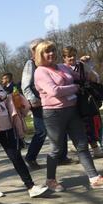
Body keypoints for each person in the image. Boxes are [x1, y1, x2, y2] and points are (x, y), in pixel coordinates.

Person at [0, 59, 49, 199]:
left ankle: (31, 186)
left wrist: (14, 99)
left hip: (6, 127)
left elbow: (6, 100)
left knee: (16, 156)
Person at [34, 41, 103, 191]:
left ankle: (94, 177)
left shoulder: (63, 67)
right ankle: (50, 180)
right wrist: (75, 88)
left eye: (52, 50)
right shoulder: (40, 71)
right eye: (47, 51)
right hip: (54, 113)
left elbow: (85, 77)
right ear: (40, 55)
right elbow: (54, 91)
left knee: (82, 145)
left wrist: (86, 66)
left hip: (72, 110)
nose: (51, 53)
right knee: (56, 149)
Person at [21, 39, 74, 170]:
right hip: (40, 102)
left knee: (61, 128)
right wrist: (33, 100)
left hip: (55, 102)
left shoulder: (51, 63)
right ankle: (30, 157)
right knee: (41, 131)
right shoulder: (31, 63)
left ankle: (62, 156)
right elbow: (25, 85)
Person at [62, 46, 103, 159]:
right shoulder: (62, 69)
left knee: (89, 123)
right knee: (76, 126)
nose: (72, 58)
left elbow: (95, 78)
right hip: (70, 100)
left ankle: (96, 148)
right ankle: (80, 149)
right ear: (64, 58)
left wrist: (89, 69)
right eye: (69, 56)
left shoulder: (81, 65)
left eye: (73, 55)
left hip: (84, 99)